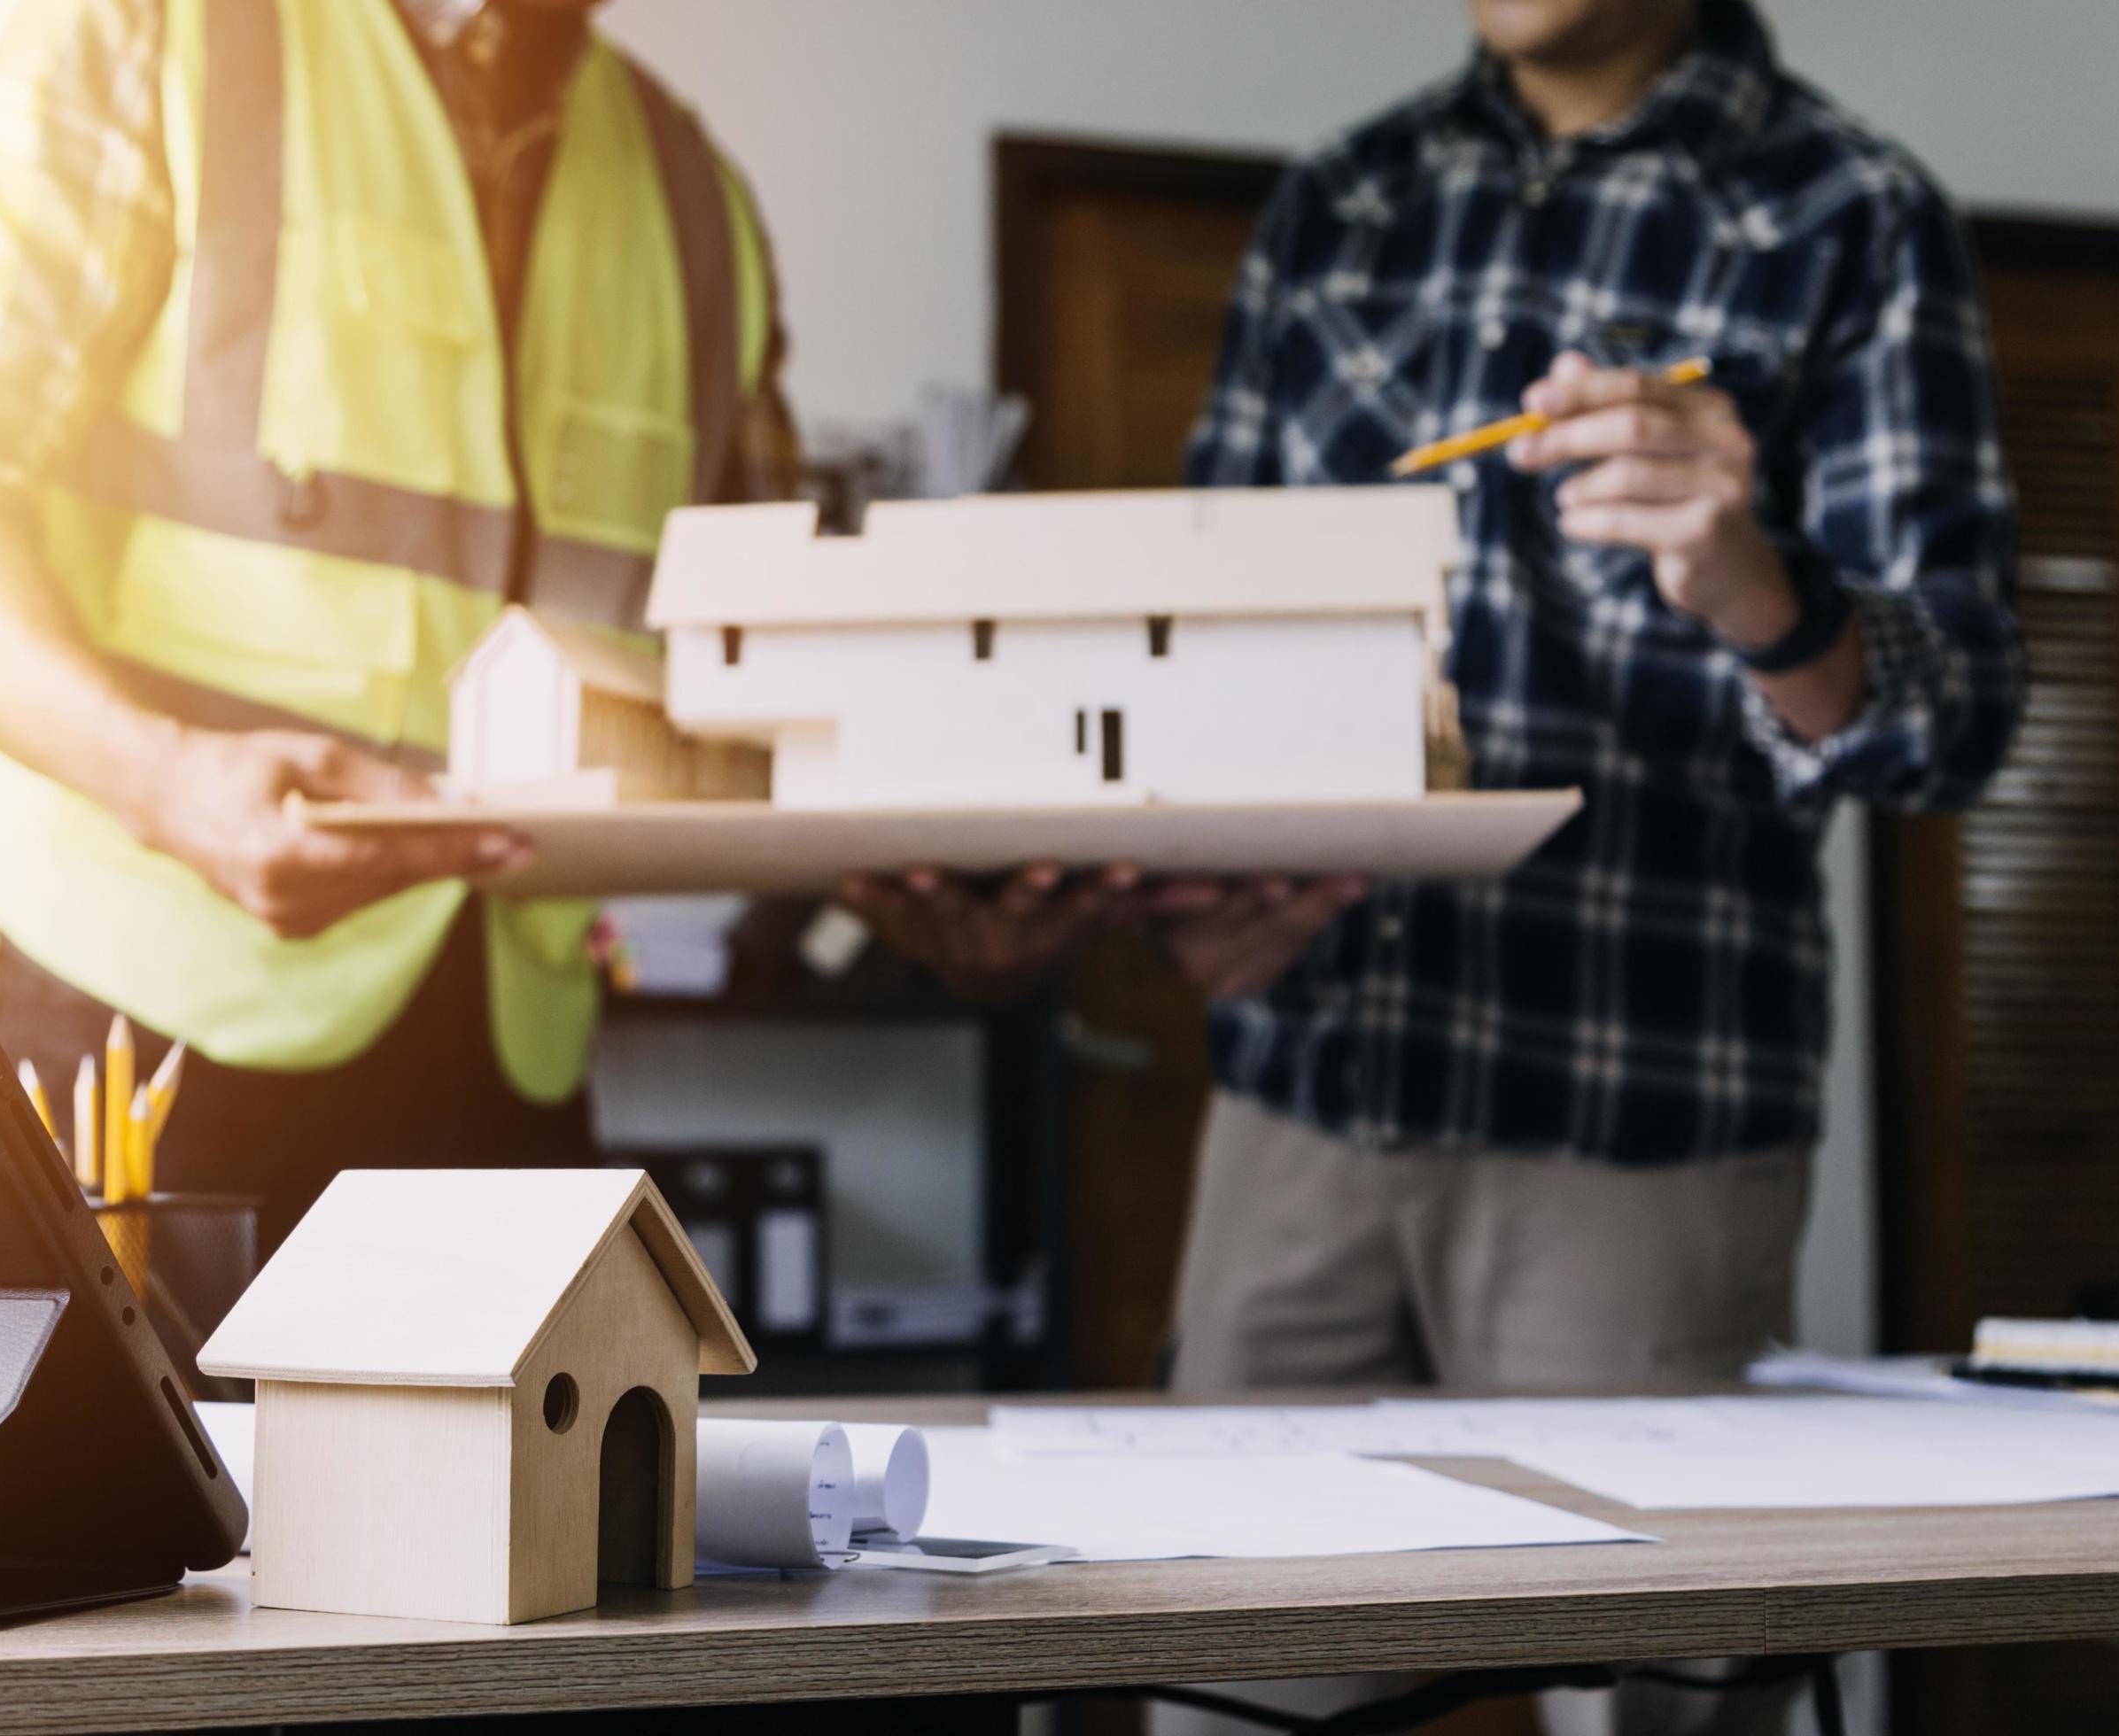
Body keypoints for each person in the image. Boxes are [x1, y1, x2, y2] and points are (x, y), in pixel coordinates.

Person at [849, 0, 2023, 1728]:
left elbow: (1967, 710)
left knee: (1655, 1700)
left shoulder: (1852, 207)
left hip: (1639, 1129)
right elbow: (1209, 647)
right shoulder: (1343, 201)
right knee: (1228, 1691)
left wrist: (1770, 593)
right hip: (1304, 1109)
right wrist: (1177, 897)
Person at [0, 0, 795, 1241]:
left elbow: (774, 652)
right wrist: (163, 776)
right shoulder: (137, 31)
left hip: (507, 1064)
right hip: (149, 1017)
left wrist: (941, 874)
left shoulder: (692, 193)